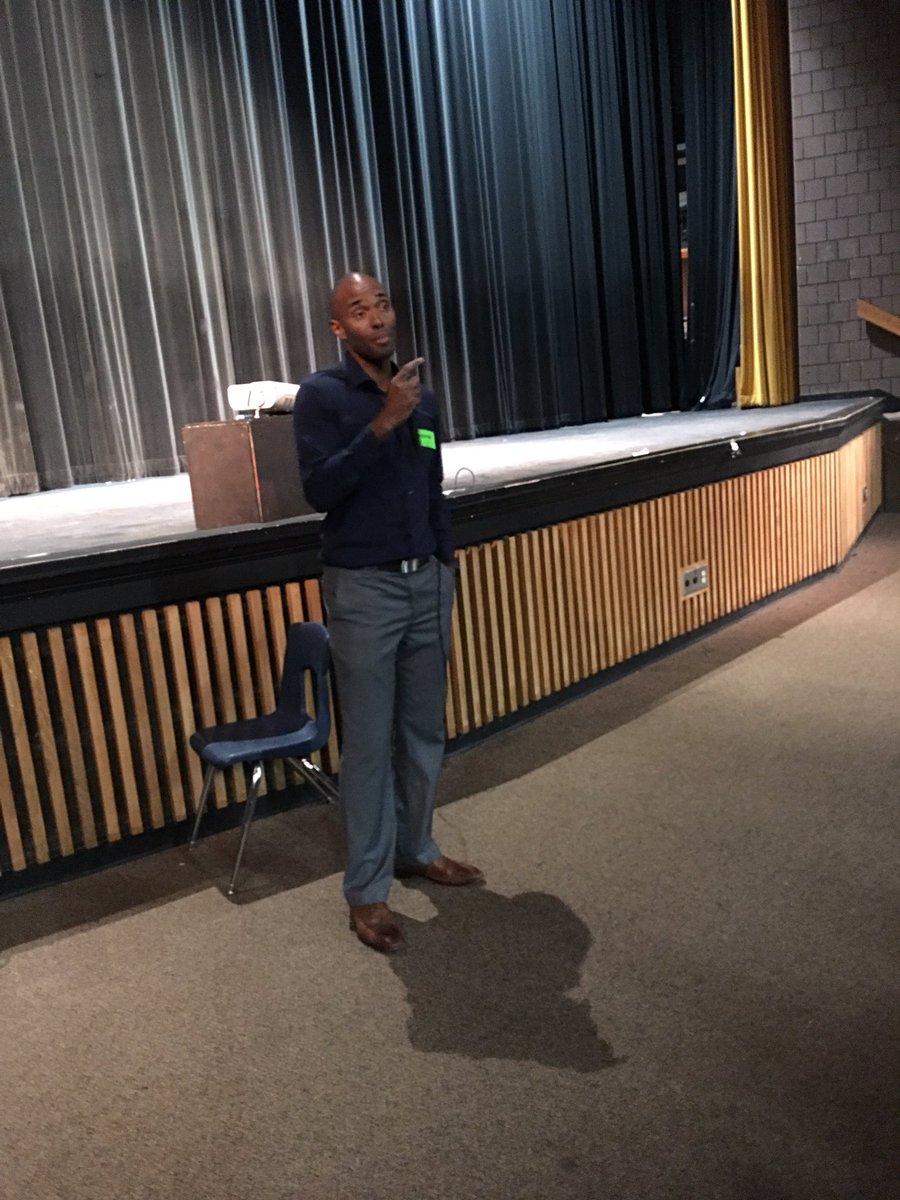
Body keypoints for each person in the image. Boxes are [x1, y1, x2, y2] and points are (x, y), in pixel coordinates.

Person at [293, 273, 483, 953]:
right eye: (358, 311)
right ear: (338, 329)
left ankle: (417, 846)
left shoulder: (421, 396)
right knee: (371, 747)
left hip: (426, 582)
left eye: (382, 305)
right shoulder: (322, 397)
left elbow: (431, 485)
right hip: (364, 590)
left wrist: (444, 561)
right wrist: (381, 425)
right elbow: (319, 489)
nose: (377, 318)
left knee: (424, 732)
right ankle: (367, 893)